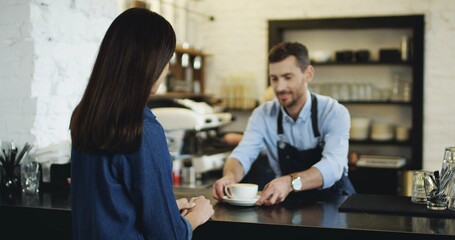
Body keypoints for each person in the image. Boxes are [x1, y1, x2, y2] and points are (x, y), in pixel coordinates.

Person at [69, 8, 213, 240]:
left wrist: (165, 209)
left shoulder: (85, 115)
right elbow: (168, 236)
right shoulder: (143, 129)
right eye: (166, 60)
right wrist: (197, 215)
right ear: (149, 63)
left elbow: (110, 204)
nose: (166, 70)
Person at [213, 41, 355, 206]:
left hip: (335, 201)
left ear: (308, 74)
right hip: (290, 203)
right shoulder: (263, 114)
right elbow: (243, 154)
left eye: (288, 77)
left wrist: (289, 182)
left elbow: (333, 165)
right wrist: (230, 176)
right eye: (274, 78)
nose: (280, 87)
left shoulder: (333, 112)